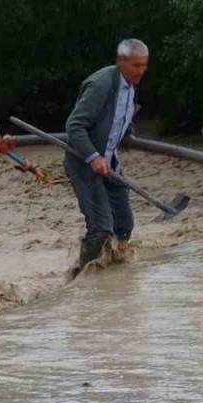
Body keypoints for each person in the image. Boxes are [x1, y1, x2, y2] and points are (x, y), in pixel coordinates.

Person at [63, 38, 149, 271]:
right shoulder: (101, 85)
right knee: (101, 229)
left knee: (124, 224)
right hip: (84, 162)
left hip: (109, 162)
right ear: (120, 62)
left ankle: (114, 276)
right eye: (136, 66)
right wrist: (93, 156)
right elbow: (74, 126)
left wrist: (129, 135)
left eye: (144, 65)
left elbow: (120, 116)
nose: (141, 71)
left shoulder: (130, 85)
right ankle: (84, 275)